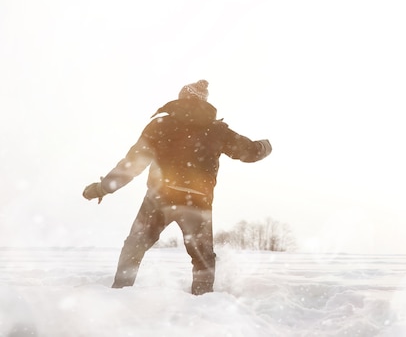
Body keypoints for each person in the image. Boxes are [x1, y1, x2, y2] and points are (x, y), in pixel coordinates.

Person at [82, 80, 272, 295]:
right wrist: (265, 146)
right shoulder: (217, 130)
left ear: (182, 97)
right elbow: (249, 152)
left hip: (160, 196)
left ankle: (119, 294)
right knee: (203, 257)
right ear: (204, 100)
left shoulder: (160, 125)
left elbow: (132, 164)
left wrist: (102, 188)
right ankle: (203, 304)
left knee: (135, 246)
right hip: (197, 201)